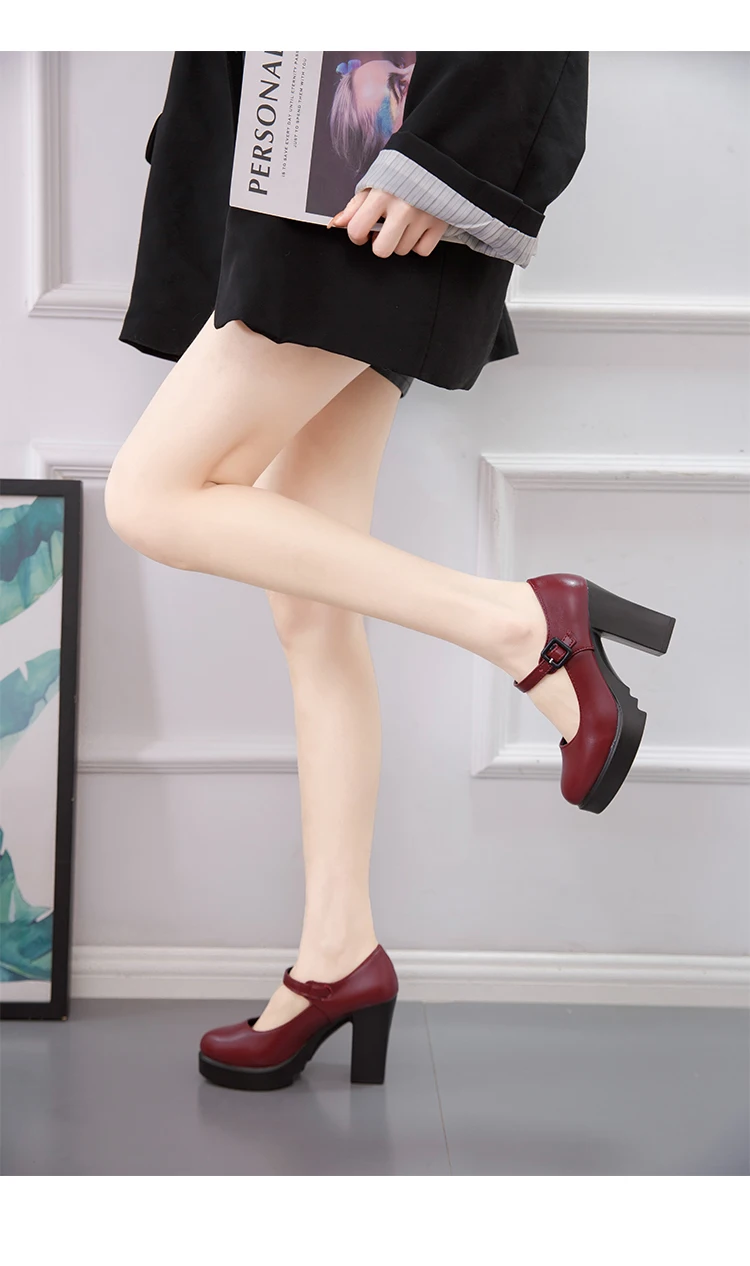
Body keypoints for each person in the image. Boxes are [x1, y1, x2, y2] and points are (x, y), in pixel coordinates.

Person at [108, 51, 676, 1091]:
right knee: (311, 611)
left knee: (149, 495)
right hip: (300, 162)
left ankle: (527, 625)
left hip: (366, 173)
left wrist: (445, 160)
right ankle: (338, 953)